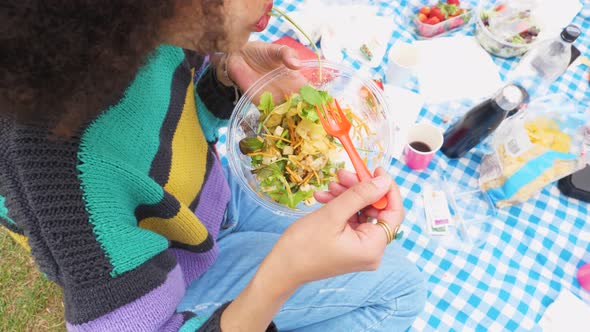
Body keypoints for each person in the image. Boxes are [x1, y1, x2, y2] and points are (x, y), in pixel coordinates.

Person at [0, 1, 426, 331]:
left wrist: (223, 78)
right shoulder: (57, 173)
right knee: (400, 290)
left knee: (373, 254)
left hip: (213, 201)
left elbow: (169, 124)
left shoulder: (146, 26)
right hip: (173, 272)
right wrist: (283, 276)